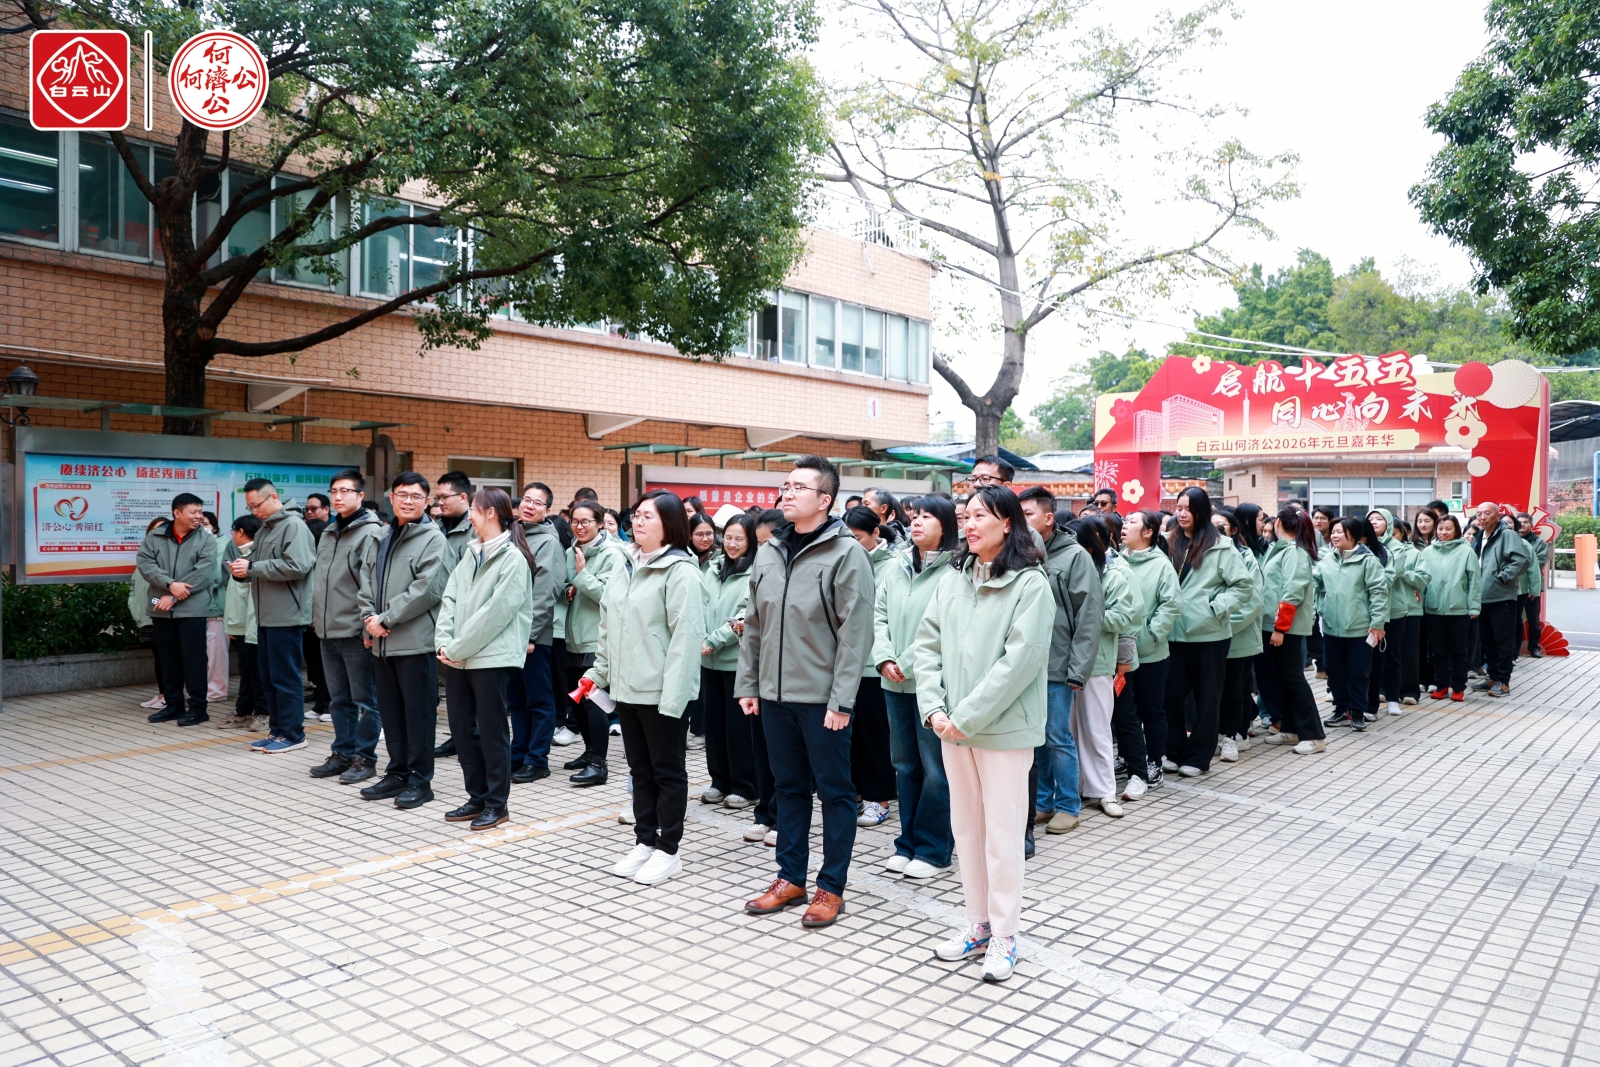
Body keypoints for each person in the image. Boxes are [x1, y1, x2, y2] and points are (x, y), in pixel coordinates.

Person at [913, 486, 1051, 983]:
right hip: (951, 727)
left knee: (1002, 835)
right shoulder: (954, 578)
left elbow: (1020, 661)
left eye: (980, 516)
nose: (968, 525)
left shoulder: (1031, 584)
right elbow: (926, 645)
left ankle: (1006, 935)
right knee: (967, 831)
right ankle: (978, 925)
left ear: (1008, 523)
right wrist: (933, 707)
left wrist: (964, 717)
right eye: (966, 516)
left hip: (1002, 730)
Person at [739, 457, 874, 930]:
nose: (788, 493)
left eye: (799, 486)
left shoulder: (845, 553)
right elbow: (754, 623)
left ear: (825, 500)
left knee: (835, 793)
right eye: (786, 485)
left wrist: (842, 700)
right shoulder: (770, 550)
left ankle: (831, 887)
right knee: (788, 788)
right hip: (775, 696)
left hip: (823, 700)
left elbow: (856, 634)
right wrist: (749, 683)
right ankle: (790, 878)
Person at [577, 490, 705, 885]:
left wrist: (673, 699)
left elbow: (685, 640)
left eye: (648, 516)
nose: (638, 521)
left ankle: (669, 850)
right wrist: (599, 673)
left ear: (670, 523)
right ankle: (645, 841)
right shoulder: (626, 563)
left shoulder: (681, 571)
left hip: (662, 693)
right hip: (626, 689)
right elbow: (608, 626)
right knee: (640, 770)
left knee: (667, 771)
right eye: (636, 515)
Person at [435, 488, 536, 831]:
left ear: (490, 513)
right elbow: (449, 599)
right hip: (459, 656)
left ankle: (496, 804)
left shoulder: (512, 559)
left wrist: (456, 648)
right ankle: (476, 796)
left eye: (474, 510)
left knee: (492, 732)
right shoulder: (471, 553)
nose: (470, 516)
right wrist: (444, 641)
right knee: (462, 729)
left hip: (490, 657)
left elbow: (495, 614)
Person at [873, 496, 957, 879]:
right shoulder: (897, 565)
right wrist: (884, 658)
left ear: (946, 525)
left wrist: (905, 663)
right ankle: (905, 844)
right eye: (916, 516)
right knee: (904, 766)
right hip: (893, 682)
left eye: (928, 517)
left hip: (932, 684)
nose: (917, 522)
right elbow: (878, 615)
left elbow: (944, 627)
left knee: (935, 770)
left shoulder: (954, 570)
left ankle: (933, 849)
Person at [358, 472, 450, 808]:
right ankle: (396, 773)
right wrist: (369, 620)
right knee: (392, 714)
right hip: (382, 643)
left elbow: (427, 590)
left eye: (415, 496)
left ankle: (420, 781)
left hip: (416, 642)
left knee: (418, 715)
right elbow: (365, 581)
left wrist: (384, 619)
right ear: (392, 497)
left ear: (427, 501)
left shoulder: (433, 539)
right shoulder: (381, 535)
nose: (407, 501)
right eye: (402, 494)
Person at [1016, 487, 1100, 838]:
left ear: (1049, 518)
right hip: (1026, 663)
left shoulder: (1075, 556)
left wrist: (1078, 670)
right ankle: (1043, 801)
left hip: (1058, 664)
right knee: (1035, 737)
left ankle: (1068, 806)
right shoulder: (1020, 553)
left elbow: (1089, 617)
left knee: (1057, 736)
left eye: (1028, 514)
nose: (1021, 521)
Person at [1163, 488, 1253, 776]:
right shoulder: (1168, 542)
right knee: (1171, 695)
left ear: (1201, 511)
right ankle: (1174, 751)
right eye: (1178, 508)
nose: (1182, 514)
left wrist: (1215, 607)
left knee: (1207, 699)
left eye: (1188, 508)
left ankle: (1198, 757)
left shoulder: (1221, 546)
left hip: (1209, 635)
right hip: (1172, 633)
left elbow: (1243, 586)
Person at [308, 469, 386, 785]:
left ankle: (365, 759)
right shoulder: (329, 532)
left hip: (356, 631)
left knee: (366, 700)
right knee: (338, 699)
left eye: (345, 491)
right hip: (327, 630)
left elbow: (374, 584)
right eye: (334, 491)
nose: (338, 497)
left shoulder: (372, 532)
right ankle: (342, 753)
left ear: (360, 495)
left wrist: (368, 628)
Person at [227, 480, 316, 752]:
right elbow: (261, 569)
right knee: (269, 679)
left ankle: (293, 734)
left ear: (274, 497)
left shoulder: (294, 525)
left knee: (285, 679)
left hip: (287, 615)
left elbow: (298, 566)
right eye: (250, 507)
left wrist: (252, 567)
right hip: (265, 615)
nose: (254, 511)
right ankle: (277, 731)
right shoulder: (267, 528)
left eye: (257, 505)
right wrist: (243, 572)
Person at [1065, 513, 1138, 817]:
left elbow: (1124, 618)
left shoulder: (1114, 575)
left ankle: (1105, 791)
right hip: (1066, 663)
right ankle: (1076, 788)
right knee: (1068, 731)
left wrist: (1086, 619)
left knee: (1096, 729)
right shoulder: (1067, 571)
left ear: (1088, 547)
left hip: (1098, 662)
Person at [563, 500, 633, 785]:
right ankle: (589, 750)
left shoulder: (613, 554)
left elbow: (610, 596)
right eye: (575, 521)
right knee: (577, 701)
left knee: (592, 700)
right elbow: (570, 584)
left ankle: (598, 764)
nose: (579, 527)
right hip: (573, 637)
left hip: (597, 639)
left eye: (586, 522)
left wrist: (581, 577)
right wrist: (570, 587)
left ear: (600, 523)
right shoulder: (571, 550)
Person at [137, 492, 219, 727]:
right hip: (160, 607)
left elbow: (204, 574)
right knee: (168, 658)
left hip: (192, 609)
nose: (198, 516)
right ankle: (173, 705)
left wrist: (173, 595)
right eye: (194, 512)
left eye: (200, 512)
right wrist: (169, 583)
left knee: (194, 660)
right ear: (177, 513)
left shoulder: (205, 539)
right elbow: (145, 563)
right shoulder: (155, 536)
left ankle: (198, 708)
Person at [842, 506, 899, 828]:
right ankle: (855, 794)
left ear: (876, 533)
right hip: (845, 662)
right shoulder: (844, 561)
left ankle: (880, 799)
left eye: (857, 538)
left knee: (875, 735)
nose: (852, 544)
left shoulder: (891, 566)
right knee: (848, 735)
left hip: (875, 664)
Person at [1115, 510, 1179, 796]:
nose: (1124, 526)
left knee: (1151, 710)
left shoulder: (1161, 565)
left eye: (1132, 522)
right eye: (1125, 521)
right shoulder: (1119, 560)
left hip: (1150, 653)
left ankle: (1154, 762)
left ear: (1148, 532)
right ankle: (1128, 756)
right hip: (1121, 654)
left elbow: (1171, 605)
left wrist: (1151, 636)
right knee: (1124, 712)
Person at [506, 482, 563, 784]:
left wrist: (529, 635)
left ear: (547, 510)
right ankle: (518, 754)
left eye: (537, 502)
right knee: (517, 699)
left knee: (539, 700)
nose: (529, 506)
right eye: (526, 500)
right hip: (509, 633)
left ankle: (537, 759)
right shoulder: (515, 533)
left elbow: (545, 592)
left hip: (533, 637)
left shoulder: (548, 542)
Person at [701, 514, 759, 813]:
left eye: (740, 539)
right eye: (729, 538)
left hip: (736, 661)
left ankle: (746, 787)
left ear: (751, 541)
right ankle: (719, 781)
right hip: (708, 662)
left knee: (739, 729)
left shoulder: (755, 571)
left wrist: (712, 640)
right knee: (714, 726)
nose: (732, 544)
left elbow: (745, 614)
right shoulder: (712, 568)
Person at [1315, 516, 1390, 735]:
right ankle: (1341, 709)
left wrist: (1377, 623)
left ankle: (1357, 712)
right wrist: (1321, 607)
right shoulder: (1327, 559)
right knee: (1334, 671)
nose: (1335, 535)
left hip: (1359, 628)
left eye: (1340, 532)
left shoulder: (1367, 561)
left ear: (1354, 536)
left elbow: (1379, 592)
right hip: (1331, 627)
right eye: (1333, 532)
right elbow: (1316, 584)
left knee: (1358, 672)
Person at [1257, 508, 1323, 752]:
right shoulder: (1283, 549)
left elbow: (1292, 591)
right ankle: (1291, 729)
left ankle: (1314, 735)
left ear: (1278, 524)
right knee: (1283, 680)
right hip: (1273, 625)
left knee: (1294, 680)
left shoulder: (1295, 552)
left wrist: (1280, 628)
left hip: (1286, 628)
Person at [1363, 508, 1425, 719]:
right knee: (1372, 659)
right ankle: (1370, 704)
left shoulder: (1397, 547)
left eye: (1379, 519)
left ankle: (1392, 699)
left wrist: (1370, 584)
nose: (1374, 522)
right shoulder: (1364, 546)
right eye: (1370, 519)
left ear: (1388, 523)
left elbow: (1392, 574)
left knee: (1393, 657)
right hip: (1370, 611)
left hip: (1395, 610)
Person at [430, 471, 475, 759]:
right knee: (451, 690)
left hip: (465, 622)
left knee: (470, 688)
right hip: (437, 619)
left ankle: (471, 738)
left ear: (463, 497)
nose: (440, 502)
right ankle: (458, 736)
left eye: (445, 497)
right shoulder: (434, 528)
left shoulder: (475, 529)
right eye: (437, 497)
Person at [1213, 508, 1263, 762]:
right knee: (1214, 692)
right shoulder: (1202, 554)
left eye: (1221, 527)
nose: (1216, 531)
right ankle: (1219, 734)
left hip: (1237, 637)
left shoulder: (1245, 556)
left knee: (1235, 690)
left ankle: (1232, 736)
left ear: (1234, 530)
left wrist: (1222, 625)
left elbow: (1252, 602)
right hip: (1209, 636)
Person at [1471, 502, 1531, 697]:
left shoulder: (1507, 535)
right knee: (1487, 640)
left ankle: (1503, 681)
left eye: (1487, 513)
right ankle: (1493, 677)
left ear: (1497, 515)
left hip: (1501, 595)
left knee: (1503, 640)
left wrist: (1503, 577)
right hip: (1481, 596)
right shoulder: (1479, 536)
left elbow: (1522, 559)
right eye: (1479, 514)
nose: (1482, 517)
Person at [1420, 513, 1481, 701]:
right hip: (1433, 609)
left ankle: (1458, 687)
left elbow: (1474, 582)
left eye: (1448, 529)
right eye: (1440, 528)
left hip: (1459, 609)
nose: (1444, 532)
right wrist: (1421, 605)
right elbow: (1421, 580)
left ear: (1456, 530)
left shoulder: (1466, 552)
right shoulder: (1427, 552)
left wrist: (1474, 607)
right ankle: (1441, 685)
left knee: (1459, 650)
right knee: (1437, 651)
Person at [302, 491, 333, 722]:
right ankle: (321, 704)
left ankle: (330, 705)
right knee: (316, 665)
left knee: (328, 666)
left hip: (325, 619)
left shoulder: (326, 561)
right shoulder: (308, 560)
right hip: (309, 619)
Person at [201, 511, 230, 704]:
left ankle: (217, 691)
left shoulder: (221, 545)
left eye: (204, 523)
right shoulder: (197, 544)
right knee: (206, 653)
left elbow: (216, 577)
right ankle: (206, 689)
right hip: (199, 608)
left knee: (216, 654)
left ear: (214, 527)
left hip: (216, 607)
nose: (200, 527)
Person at [1516, 513, 1548, 657]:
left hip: (1532, 585)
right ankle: (1514, 649)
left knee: (1533, 618)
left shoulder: (1539, 542)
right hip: (1514, 586)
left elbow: (1539, 563)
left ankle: (1534, 647)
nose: (1522, 525)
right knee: (1515, 619)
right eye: (1519, 522)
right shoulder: (1510, 540)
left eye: (1525, 522)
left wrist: (1518, 567)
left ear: (1532, 525)